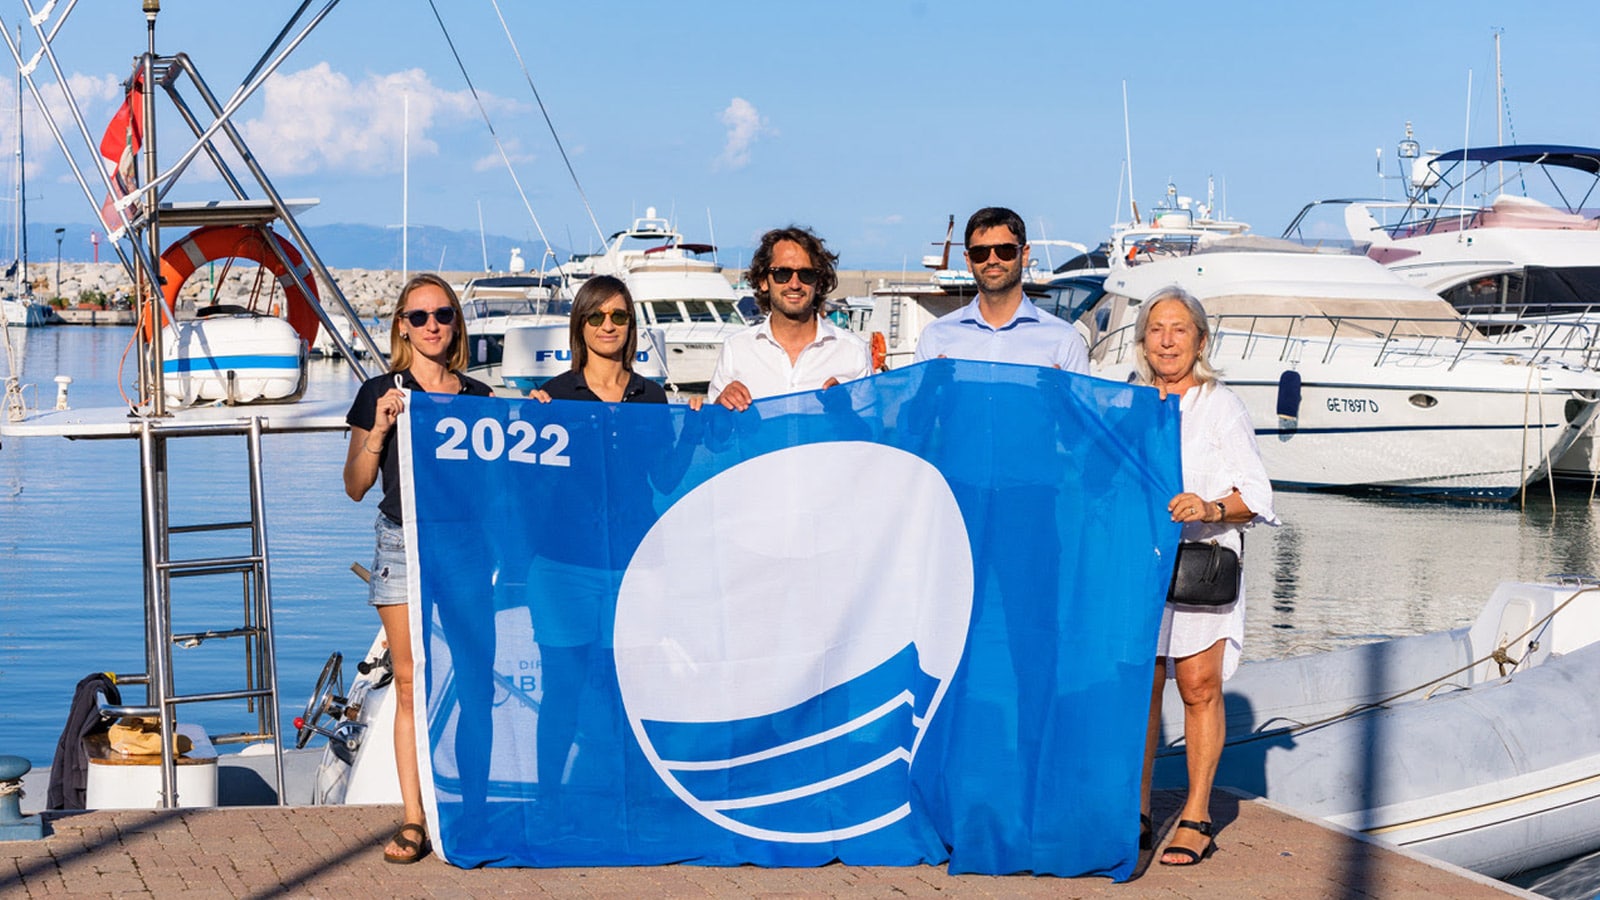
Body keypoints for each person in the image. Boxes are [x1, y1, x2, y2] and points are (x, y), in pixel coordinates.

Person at [343, 273, 493, 864]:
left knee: (477, 682)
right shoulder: (379, 391)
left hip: (465, 549)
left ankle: (473, 810)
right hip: (401, 542)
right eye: (420, 316)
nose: (433, 326)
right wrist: (380, 427)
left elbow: (502, 487)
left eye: (443, 315)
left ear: (455, 324)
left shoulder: (480, 399)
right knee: (409, 684)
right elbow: (355, 485)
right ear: (401, 326)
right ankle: (413, 820)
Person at [1134, 286, 1276, 866]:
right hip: (1138, 566)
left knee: (1197, 688)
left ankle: (1196, 815)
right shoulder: (1129, 400)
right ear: (1143, 340)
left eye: (1179, 329)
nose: (1167, 340)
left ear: (1199, 340)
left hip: (1199, 563)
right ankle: (1137, 811)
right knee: (1140, 692)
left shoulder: (1220, 404)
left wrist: (1211, 507)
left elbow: (1259, 493)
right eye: (1156, 329)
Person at [707, 226, 870, 410]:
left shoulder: (853, 351)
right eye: (782, 273)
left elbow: (872, 433)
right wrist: (721, 404)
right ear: (763, 281)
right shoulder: (735, 349)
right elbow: (714, 433)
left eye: (806, 274)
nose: (795, 284)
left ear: (819, 283)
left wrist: (845, 412)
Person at [912, 206, 1088, 372]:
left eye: (1005, 250)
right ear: (968, 261)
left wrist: (1058, 392)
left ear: (1024, 254)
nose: (992, 260)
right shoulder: (935, 336)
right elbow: (918, 403)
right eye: (980, 253)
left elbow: (1081, 404)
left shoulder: (1063, 339)